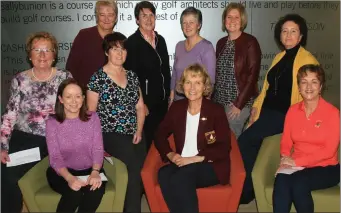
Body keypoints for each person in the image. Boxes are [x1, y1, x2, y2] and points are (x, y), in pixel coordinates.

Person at [237, 14, 319, 204]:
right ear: (279, 35)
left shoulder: (307, 60)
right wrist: (255, 109)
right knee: (250, 140)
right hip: (268, 112)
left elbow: (310, 95)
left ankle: (247, 191)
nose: (288, 35)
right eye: (284, 31)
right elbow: (266, 88)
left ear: (301, 37)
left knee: (245, 140)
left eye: (293, 31)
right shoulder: (279, 57)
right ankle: (250, 187)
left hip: (285, 115)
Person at [1, 31, 72, 213]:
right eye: (37, 50)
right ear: (29, 54)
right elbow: (10, 114)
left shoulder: (65, 78)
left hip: (56, 138)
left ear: (54, 54)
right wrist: (3, 146)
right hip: (25, 137)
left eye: (47, 50)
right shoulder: (20, 80)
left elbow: (74, 109)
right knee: (7, 173)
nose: (42, 55)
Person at [155, 63, 231, 213]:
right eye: (188, 82)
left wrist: (194, 159)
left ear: (205, 87)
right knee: (163, 174)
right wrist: (170, 154)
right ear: (182, 86)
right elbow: (159, 133)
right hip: (183, 162)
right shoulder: (177, 108)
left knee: (181, 177)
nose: (192, 88)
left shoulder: (215, 110)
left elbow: (224, 146)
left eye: (198, 83)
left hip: (209, 165)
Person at [87, 32, 146, 213]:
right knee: (134, 169)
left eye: (123, 49)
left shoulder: (133, 76)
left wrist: (139, 130)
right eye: (114, 49)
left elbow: (140, 107)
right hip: (109, 133)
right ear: (107, 52)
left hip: (133, 132)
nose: (119, 53)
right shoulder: (97, 78)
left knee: (141, 171)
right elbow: (91, 114)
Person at [272, 64, 340, 213]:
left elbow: (329, 151)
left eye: (314, 82)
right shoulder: (292, 111)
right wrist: (284, 160)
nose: (309, 86)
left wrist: (296, 162)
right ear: (299, 86)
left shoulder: (332, 113)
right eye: (304, 82)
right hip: (297, 166)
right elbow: (286, 141)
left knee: (298, 181)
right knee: (281, 180)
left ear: (321, 86)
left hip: (326, 167)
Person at [46, 78, 105, 213]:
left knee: (95, 192)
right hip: (63, 172)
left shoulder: (93, 118)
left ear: (83, 98)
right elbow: (55, 157)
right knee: (74, 193)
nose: (74, 101)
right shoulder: (52, 123)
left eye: (78, 96)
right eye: (68, 96)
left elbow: (97, 148)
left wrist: (95, 172)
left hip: (91, 169)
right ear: (61, 99)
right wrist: (69, 178)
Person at [124, 1, 171, 151]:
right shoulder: (131, 43)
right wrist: (141, 103)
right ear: (137, 19)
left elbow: (165, 70)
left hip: (162, 103)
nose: (148, 19)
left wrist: (170, 95)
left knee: (162, 142)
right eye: (144, 16)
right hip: (146, 105)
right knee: (148, 144)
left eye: (151, 15)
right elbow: (131, 77)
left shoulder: (160, 40)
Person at [213, 2, 261, 138]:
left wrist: (238, 105)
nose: (232, 21)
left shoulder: (250, 42)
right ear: (224, 20)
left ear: (242, 20)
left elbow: (252, 77)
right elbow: (218, 74)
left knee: (232, 140)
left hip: (238, 104)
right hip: (219, 102)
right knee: (218, 140)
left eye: (237, 17)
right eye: (229, 17)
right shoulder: (221, 43)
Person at [66, 0, 118, 88]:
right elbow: (71, 68)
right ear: (97, 17)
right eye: (102, 15)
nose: (106, 19)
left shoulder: (119, 40)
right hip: (85, 93)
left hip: (112, 95)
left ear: (116, 17)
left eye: (110, 15)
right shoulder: (84, 35)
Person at [170, 7, 216, 102]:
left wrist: (205, 104)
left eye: (191, 22)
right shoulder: (179, 46)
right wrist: (171, 98)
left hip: (197, 102)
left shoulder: (207, 47)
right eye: (184, 23)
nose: (187, 26)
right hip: (178, 101)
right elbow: (174, 74)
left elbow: (210, 81)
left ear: (198, 25)